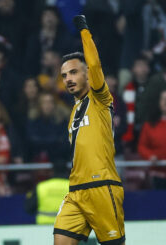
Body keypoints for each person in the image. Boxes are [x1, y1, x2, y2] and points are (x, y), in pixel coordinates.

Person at [53, 16, 125, 245]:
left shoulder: (101, 100)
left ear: (87, 75)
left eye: (74, 72)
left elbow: (94, 64)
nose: (68, 79)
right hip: (75, 191)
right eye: (64, 75)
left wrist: (84, 30)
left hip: (103, 187)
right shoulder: (73, 111)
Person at [24, 158, 69, 224]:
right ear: (68, 171)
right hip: (67, 225)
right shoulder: (73, 187)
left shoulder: (41, 186)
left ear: (51, 171)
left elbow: (29, 208)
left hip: (44, 226)